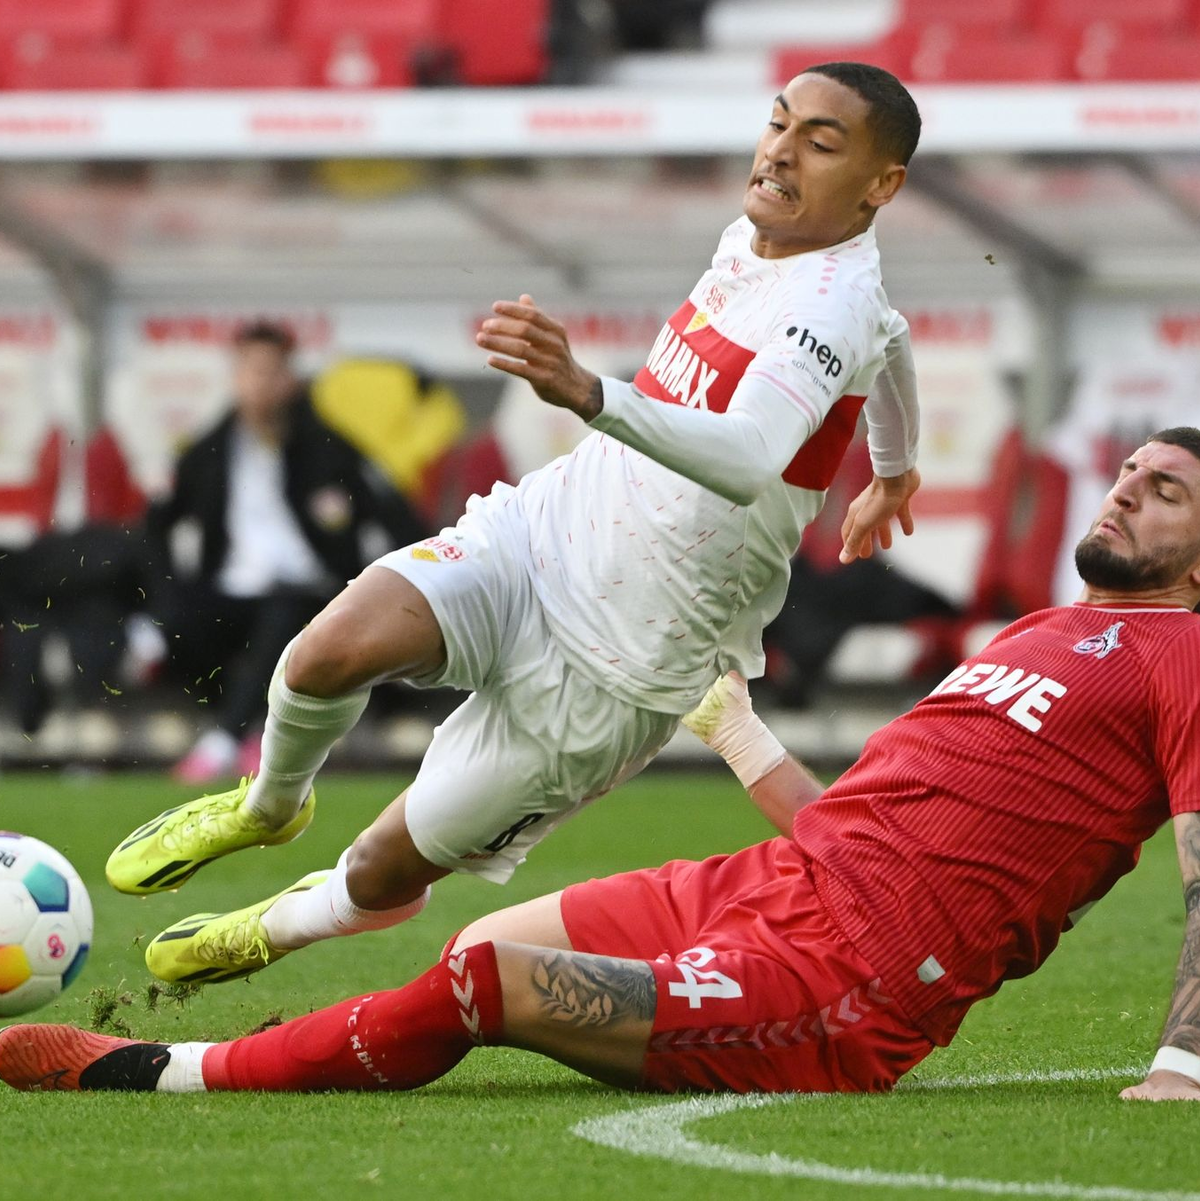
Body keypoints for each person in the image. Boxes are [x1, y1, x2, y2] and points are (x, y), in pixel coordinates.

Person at [6, 428, 1200, 1101]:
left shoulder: (1185, 658)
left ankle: (165, 1071)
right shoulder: (1044, 633)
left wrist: (1184, 1063)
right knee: (483, 940)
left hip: (855, 982)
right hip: (772, 888)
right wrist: (737, 731)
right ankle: (292, 918)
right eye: (1131, 473)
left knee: (487, 983)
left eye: (1166, 493)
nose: (1126, 493)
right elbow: (860, 827)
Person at [103, 62, 925, 985]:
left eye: (820, 143)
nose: (780, 152)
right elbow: (895, 338)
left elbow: (745, 455)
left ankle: (278, 925)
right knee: (323, 654)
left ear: (881, 184)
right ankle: (268, 804)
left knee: (379, 872)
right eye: (778, 124)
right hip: (538, 537)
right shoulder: (759, 238)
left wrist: (587, 390)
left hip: (626, 660)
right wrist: (895, 467)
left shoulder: (830, 306)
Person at [139, 320, 426, 783]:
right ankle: (252, 732)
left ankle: (224, 741)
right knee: (177, 624)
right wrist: (165, 593)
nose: (261, 383)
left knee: (284, 613)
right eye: (251, 371)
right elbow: (155, 525)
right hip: (230, 592)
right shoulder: (207, 453)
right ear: (235, 377)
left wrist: (388, 591)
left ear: (290, 378)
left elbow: (400, 519)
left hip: (315, 595)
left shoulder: (329, 449)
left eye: (272, 371)